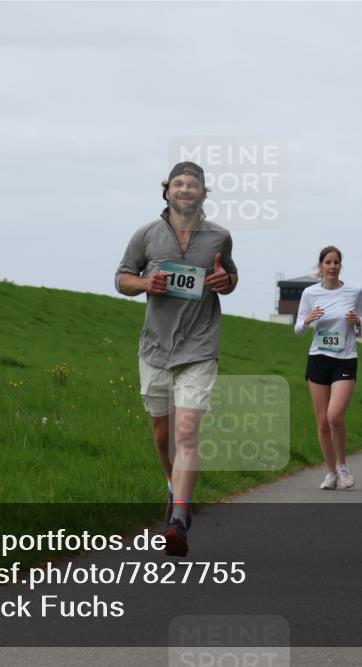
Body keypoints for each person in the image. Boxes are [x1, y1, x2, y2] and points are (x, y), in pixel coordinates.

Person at [115, 161, 238, 557]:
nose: (186, 190)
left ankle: (179, 519)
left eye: (194, 185)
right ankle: (173, 485)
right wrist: (145, 282)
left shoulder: (220, 237)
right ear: (167, 191)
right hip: (155, 348)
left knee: (186, 433)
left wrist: (225, 282)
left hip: (199, 347)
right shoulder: (146, 236)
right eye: (179, 184)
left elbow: (230, 279)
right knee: (162, 436)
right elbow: (122, 278)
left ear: (203, 194)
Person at [294, 246, 362, 490]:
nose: (333, 266)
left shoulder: (354, 292)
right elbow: (298, 329)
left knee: (334, 416)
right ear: (321, 266)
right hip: (318, 359)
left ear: (340, 266)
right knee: (322, 422)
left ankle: (344, 466)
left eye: (336, 262)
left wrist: (358, 322)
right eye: (328, 262)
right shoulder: (310, 294)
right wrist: (308, 319)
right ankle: (331, 472)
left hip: (345, 359)